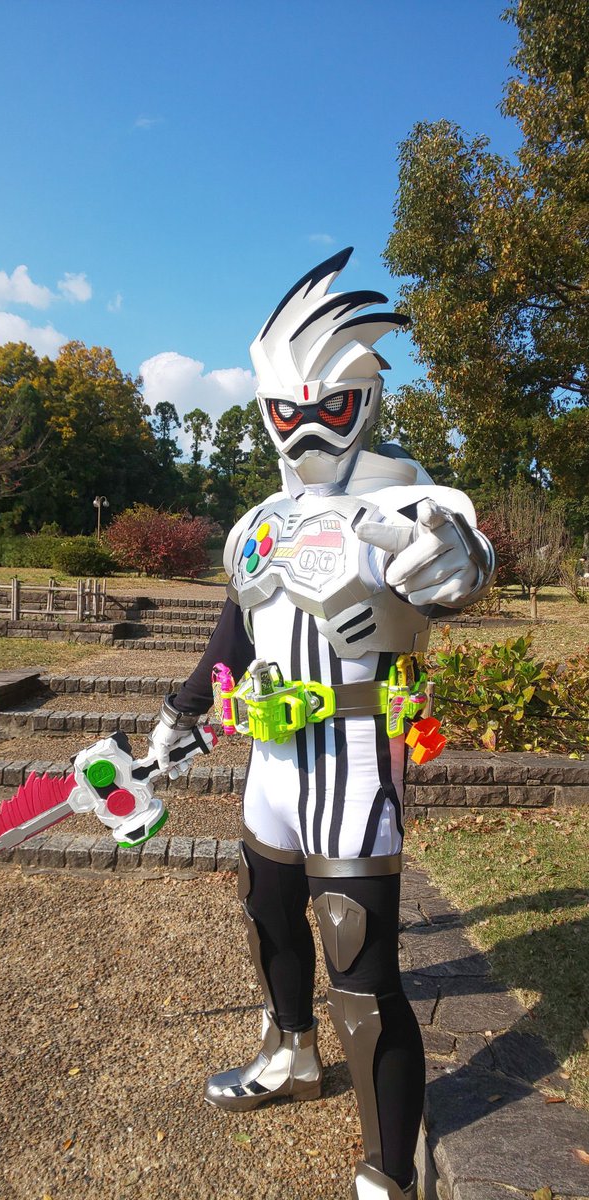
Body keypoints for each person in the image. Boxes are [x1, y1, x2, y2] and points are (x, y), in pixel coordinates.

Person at [150, 249, 495, 1200]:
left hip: (354, 751)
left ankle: (388, 1170)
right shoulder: (259, 518)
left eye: (328, 407)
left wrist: (454, 559)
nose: (304, 429)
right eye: (285, 409)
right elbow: (238, 624)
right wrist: (183, 711)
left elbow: (459, 554)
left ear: (364, 402)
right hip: (271, 752)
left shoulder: (402, 498)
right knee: (267, 910)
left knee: (359, 957)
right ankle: (290, 1053)